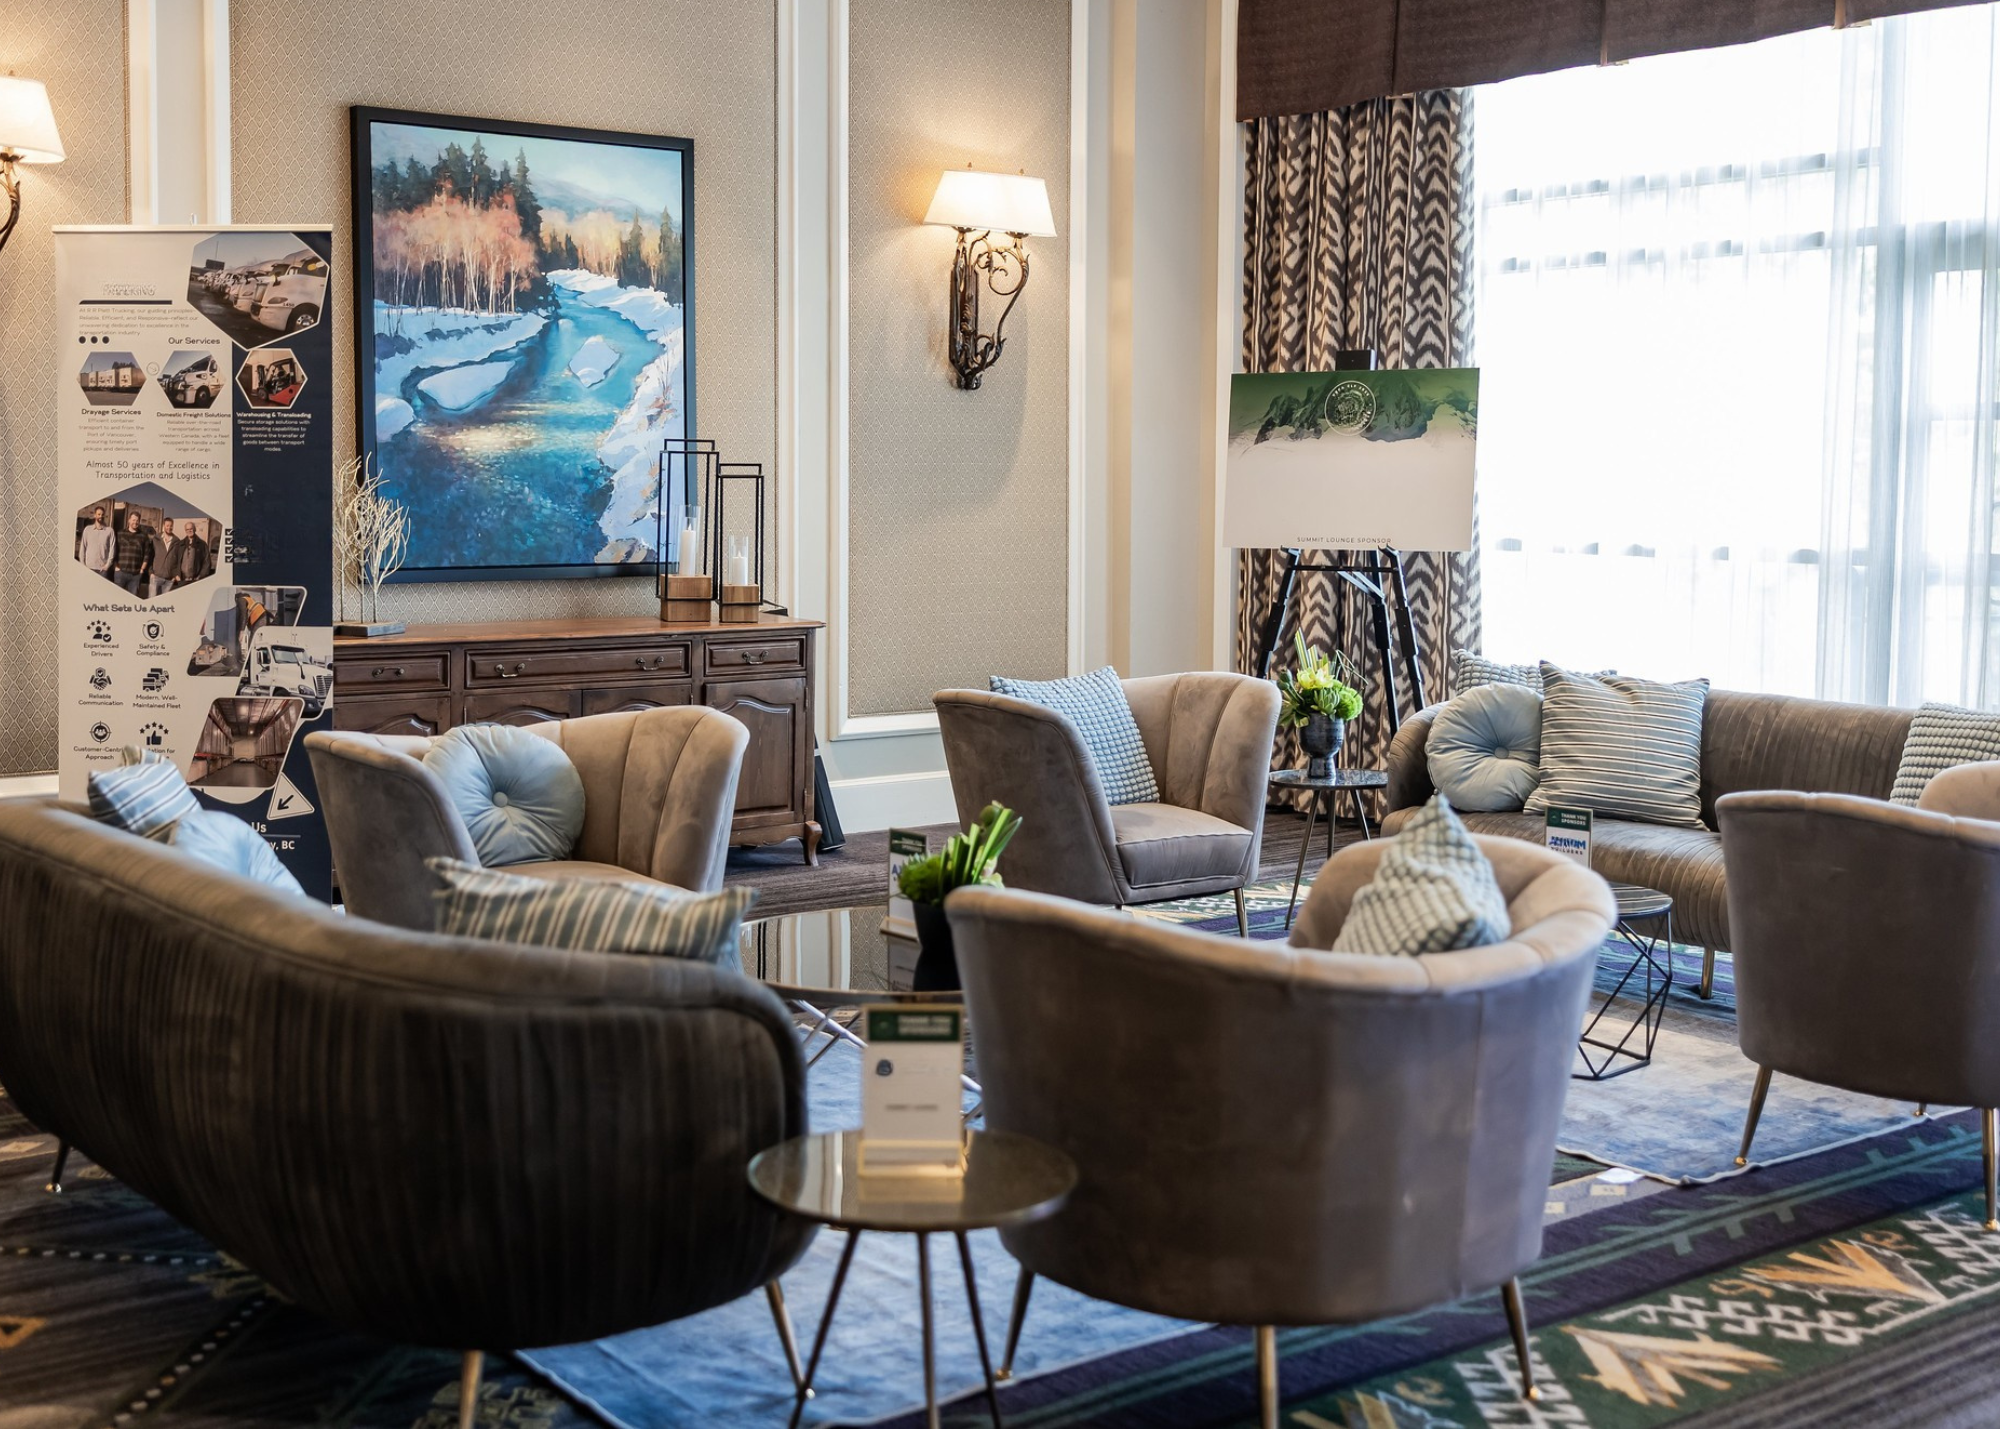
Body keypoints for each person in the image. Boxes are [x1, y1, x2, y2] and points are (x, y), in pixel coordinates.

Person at [112, 511, 150, 596]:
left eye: (137, 520)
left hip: (136, 575)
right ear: (129, 520)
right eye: (133, 520)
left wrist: (142, 569)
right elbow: (114, 550)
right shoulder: (120, 533)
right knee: (117, 598)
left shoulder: (143, 536)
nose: (135, 522)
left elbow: (147, 554)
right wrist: (116, 566)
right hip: (120, 572)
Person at [78, 506, 115, 578]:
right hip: (89, 567)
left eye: (102, 514)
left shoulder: (109, 531)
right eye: (99, 514)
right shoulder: (87, 530)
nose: (101, 516)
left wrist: (107, 565)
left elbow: (112, 549)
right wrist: (82, 565)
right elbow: (83, 548)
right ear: (95, 515)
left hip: (102, 570)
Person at [150, 519, 182, 598]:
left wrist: (175, 575)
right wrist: (151, 573)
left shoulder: (177, 541)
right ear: (163, 526)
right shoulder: (156, 539)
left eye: (171, 526)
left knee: (164, 604)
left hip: (169, 579)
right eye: (167, 525)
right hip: (155, 577)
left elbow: (178, 559)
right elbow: (150, 556)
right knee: (151, 602)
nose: (169, 527)